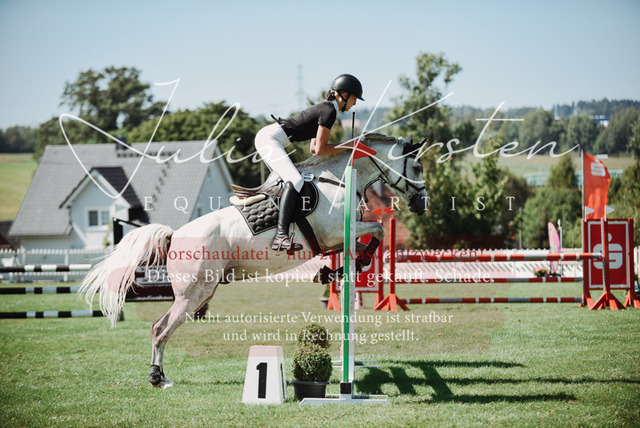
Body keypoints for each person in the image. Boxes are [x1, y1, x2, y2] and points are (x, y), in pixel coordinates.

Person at [255, 74, 364, 251]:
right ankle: (280, 236)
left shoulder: (327, 109)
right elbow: (320, 149)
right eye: (354, 98)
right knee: (295, 180)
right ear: (344, 95)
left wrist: (347, 146)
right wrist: (349, 145)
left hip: (271, 139)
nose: (355, 103)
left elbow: (313, 148)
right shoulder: (329, 111)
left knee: (293, 181)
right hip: (270, 140)